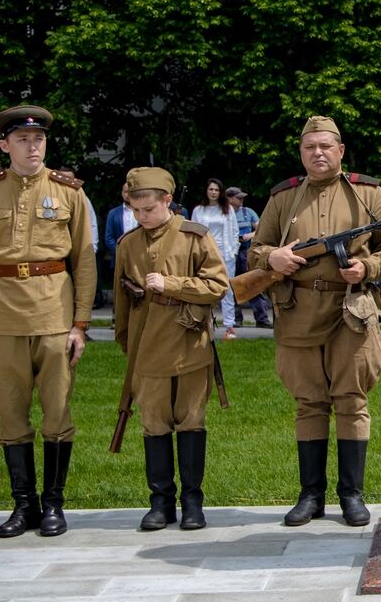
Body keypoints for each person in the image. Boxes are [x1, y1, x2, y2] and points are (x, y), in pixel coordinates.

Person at [247, 116, 381, 527]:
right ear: (301, 153)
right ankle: (310, 495)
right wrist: (273, 259)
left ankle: (351, 495)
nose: (317, 153)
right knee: (308, 403)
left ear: (340, 150)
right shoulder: (284, 198)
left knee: (352, 401)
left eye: (325, 146)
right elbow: (256, 250)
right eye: (309, 147)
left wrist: (367, 267)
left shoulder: (368, 193)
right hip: (297, 313)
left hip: (350, 313)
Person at [0, 105, 96, 539]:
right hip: (2, 316)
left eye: (38, 139)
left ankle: (54, 505)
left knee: (57, 412)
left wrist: (80, 324)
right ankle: (24, 506)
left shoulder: (69, 192)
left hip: (54, 312)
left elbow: (84, 262)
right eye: (22, 139)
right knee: (11, 416)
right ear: (5, 145)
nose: (32, 146)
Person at [113, 167, 229, 531]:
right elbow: (121, 302)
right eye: (135, 210)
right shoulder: (127, 244)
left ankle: (193, 501)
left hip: (189, 344)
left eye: (149, 209)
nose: (142, 216)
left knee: (191, 421)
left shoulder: (194, 236)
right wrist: (127, 343)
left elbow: (218, 285)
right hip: (146, 350)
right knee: (154, 424)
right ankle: (160, 502)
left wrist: (171, 284)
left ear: (167, 200)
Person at [191, 179, 239, 339]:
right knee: (204, 287)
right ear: (206, 191)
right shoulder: (199, 210)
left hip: (226, 253)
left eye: (216, 190)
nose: (213, 192)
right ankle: (205, 322)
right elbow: (193, 232)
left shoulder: (227, 209)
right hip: (205, 253)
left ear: (220, 192)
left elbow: (234, 231)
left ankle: (229, 326)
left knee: (227, 289)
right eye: (211, 189)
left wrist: (234, 250)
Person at [226, 186, 272, 329]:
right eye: (238, 197)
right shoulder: (224, 213)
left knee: (252, 284)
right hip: (230, 252)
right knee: (233, 286)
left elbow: (259, 228)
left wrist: (249, 236)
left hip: (245, 252)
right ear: (229, 198)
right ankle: (237, 319)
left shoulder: (248, 212)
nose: (242, 200)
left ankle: (262, 319)